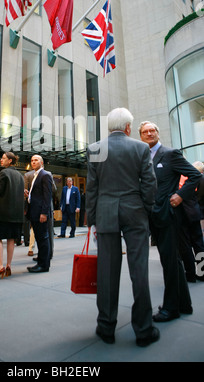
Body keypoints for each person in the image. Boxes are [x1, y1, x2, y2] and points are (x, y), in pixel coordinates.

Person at [86, 108, 159, 347]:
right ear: (128, 127)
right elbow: (149, 184)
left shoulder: (96, 148)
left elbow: (92, 188)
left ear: (110, 127)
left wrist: (92, 218)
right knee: (139, 272)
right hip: (135, 211)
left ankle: (106, 326)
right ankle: (144, 330)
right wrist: (146, 209)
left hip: (106, 212)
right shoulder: (140, 148)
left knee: (106, 271)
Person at [139, 121, 202, 322]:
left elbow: (194, 175)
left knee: (170, 262)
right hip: (153, 216)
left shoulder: (170, 153)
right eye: (145, 131)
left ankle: (171, 308)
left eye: (152, 130)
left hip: (168, 215)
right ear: (140, 136)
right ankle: (184, 304)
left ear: (158, 133)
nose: (149, 133)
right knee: (172, 261)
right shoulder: (141, 157)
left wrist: (179, 195)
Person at [0, 152, 24, 279]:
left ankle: (0, 267)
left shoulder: (4, 173)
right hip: (17, 215)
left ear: (10, 161)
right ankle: (9, 265)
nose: (1, 160)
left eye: (3, 158)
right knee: (11, 239)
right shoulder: (20, 175)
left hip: (3, 213)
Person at [25, 155, 52, 273]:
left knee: (43, 239)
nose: (33, 162)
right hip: (34, 212)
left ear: (42, 162)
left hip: (41, 213)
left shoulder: (45, 175)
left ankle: (44, 265)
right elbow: (38, 194)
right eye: (32, 160)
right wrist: (29, 195)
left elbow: (47, 196)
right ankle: (41, 261)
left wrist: (44, 213)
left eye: (36, 160)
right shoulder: (35, 175)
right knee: (40, 239)